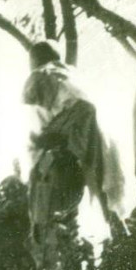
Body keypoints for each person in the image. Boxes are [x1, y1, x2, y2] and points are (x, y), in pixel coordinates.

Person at [23, 40, 126, 258]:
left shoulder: (40, 76)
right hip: (100, 150)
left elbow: (40, 125)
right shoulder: (77, 78)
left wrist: (46, 144)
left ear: (35, 61)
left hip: (67, 152)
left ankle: (52, 266)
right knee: (102, 207)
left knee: (51, 228)